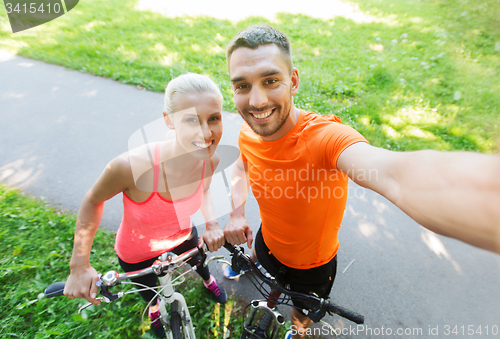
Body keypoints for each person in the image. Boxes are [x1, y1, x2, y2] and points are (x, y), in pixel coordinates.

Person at [222, 25, 500, 339]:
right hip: (267, 241)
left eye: (270, 81)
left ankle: (298, 333)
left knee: (304, 311)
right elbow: (242, 167)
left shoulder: (324, 138)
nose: (256, 101)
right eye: (242, 86)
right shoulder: (249, 132)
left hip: (312, 265)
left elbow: (394, 174)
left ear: (293, 81)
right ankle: (247, 264)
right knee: (257, 254)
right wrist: (235, 213)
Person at [64, 73, 227, 338]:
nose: (207, 132)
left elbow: (205, 191)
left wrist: (211, 224)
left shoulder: (211, 160)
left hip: (183, 236)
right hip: (138, 252)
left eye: (214, 118)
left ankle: (208, 281)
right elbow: (93, 200)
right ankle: (154, 311)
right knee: (149, 291)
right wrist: (79, 265)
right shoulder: (131, 167)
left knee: (201, 262)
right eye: (191, 120)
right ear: (168, 120)